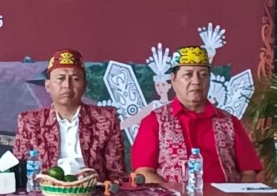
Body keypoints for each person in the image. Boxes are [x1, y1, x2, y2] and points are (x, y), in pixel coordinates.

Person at [131, 45, 262, 183]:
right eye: (188, 75)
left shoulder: (229, 122)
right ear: (173, 79)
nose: (196, 81)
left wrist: (240, 192)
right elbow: (143, 172)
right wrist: (174, 192)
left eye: (203, 75)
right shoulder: (155, 121)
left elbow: (249, 173)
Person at [13, 49, 125, 181]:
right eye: (60, 78)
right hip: (45, 189)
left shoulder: (105, 119)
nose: (67, 85)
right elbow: (20, 171)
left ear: (84, 85)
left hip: (92, 188)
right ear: (48, 86)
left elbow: (116, 173)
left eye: (75, 79)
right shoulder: (29, 121)